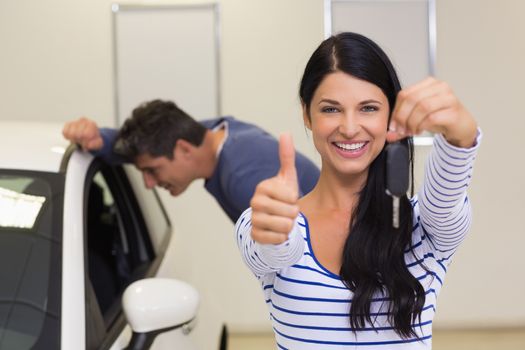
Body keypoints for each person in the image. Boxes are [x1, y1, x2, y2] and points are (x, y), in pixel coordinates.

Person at [235, 32, 480, 349]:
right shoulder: (267, 224)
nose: (350, 128)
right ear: (306, 114)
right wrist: (274, 231)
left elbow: (443, 205)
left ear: (391, 115)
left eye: (368, 108)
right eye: (331, 109)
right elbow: (275, 250)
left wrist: (461, 139)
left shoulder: (424, 229)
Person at [62, 100, 320, 223]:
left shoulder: (243, 177)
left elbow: (298, 259)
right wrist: (100, 140)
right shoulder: (214, 132)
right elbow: (142, 149)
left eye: (152, 171)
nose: (149, 183)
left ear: (184, 149)